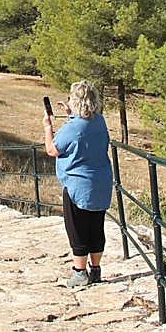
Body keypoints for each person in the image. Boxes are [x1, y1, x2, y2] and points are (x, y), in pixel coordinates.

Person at [43, 80, 112, 288]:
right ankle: (95, 269)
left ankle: (79, 272)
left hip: (78, 186)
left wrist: (48, 127)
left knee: (77, 228)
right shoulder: (99, 121)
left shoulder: (74, 127)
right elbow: (83, 131)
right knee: (96, 227)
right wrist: (70, 113)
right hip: (101, 183)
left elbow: (52, 149)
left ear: (76, 101)